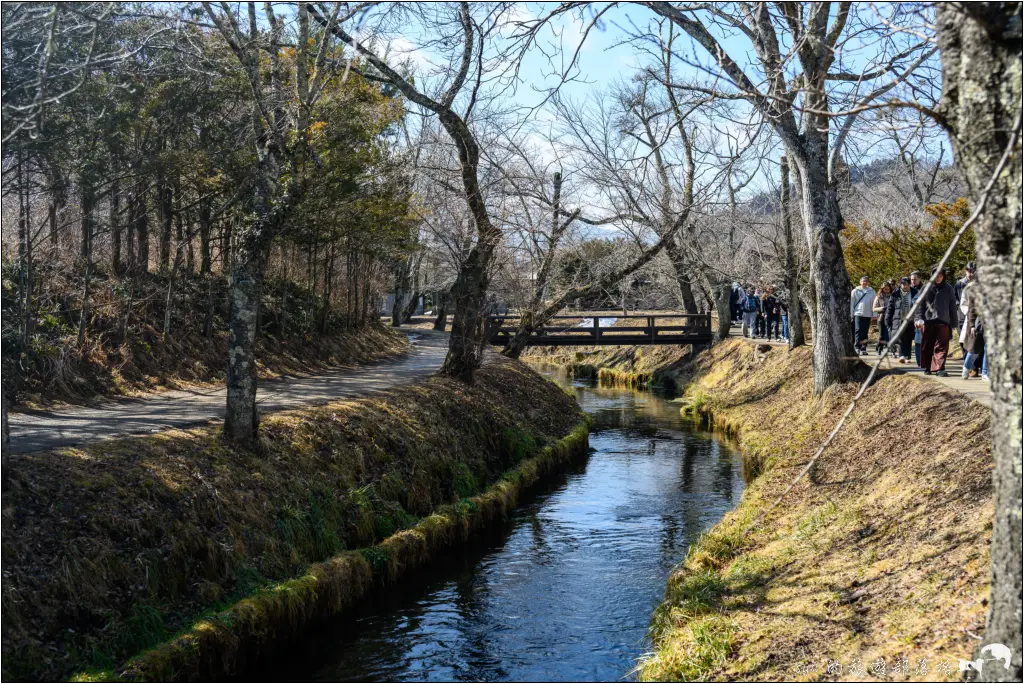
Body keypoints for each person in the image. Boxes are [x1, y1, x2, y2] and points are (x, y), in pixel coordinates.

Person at [915, 266, 959, 377]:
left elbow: (952, 306)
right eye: (936, 275)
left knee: (942, 346)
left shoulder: (948, 288)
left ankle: (940, 368)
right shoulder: (926, 288)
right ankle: (928, 367)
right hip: (928, 320)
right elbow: (920, 305)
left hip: (943, 321)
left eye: (940, 275)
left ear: (943, 276)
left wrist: (954, 322)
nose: (938, 277)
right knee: (928, 345)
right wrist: (918, 318)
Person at [885, 276, 917, 363]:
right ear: (901, 284)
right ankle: (902, 356)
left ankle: (907, 356)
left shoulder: (915, 293)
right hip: (899, 319)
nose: (905, 286)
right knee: (900, 338)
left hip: (910, 320)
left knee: (909, 338)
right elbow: (890, 308)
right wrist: (887, 319)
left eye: (907, 284)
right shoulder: (895, 294)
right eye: (903, 284)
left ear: (910, 285)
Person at [850, 276, 876, 356]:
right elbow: (852, 303)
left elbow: (874, 304)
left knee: (865, 332)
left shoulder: (872, 292)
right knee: (858, 330)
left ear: (868, 282)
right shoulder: (855, 291)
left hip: (867, 314)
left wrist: (874, 314)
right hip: (857, 313)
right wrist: (851, 314)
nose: (864, 282)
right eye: (863, 281)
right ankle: (857, 347)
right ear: (860, 282)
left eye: (866, 281)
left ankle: (863, 348)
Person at [872, 280, 892, 355]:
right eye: (884, 288)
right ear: (882, 289)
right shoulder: (878, 296)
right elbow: (874, 308)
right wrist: (882, 309)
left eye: (887, 288)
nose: (886, 290)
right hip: (881, 317)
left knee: (891, 334)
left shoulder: (893, 296)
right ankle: (879, 350)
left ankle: (892, 351)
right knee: (882, 335)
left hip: (891, 317)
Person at [909, 271, 923, 364]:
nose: (913, 281)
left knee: (919, 340)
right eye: (912, 279)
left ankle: (920, 361)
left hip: (919, 318)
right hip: (908, 318)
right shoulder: (907, 288)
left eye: (915, 279)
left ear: (919, 279)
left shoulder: (923, 289)